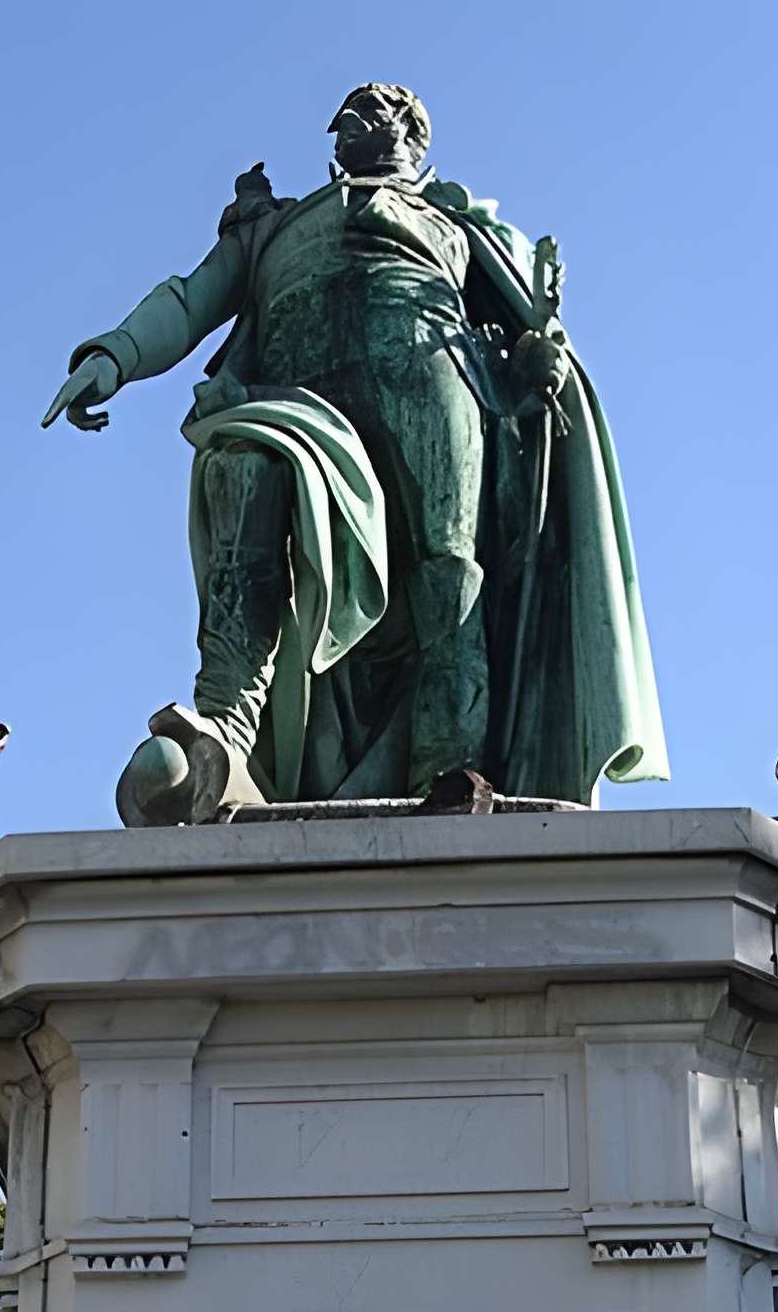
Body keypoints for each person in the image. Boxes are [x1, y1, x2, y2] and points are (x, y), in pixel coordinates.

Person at [43, 86, 668, 821]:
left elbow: (527, 332)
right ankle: (226, 730)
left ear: (412, 134)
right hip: (296, 394)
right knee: (242, 472)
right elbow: (189, 298)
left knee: (448, 564)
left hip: (432, 374)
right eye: (347, 112)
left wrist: (541, 359)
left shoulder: (459, 223)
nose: (349, 123)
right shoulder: (272, 226)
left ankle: (452, 764)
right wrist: (114, 355)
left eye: (372, 111)